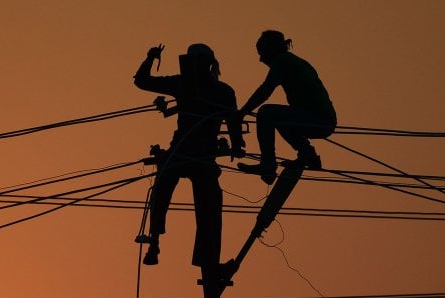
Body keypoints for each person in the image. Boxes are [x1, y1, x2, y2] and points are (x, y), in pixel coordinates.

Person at [133, 43, 245, 267]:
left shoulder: (219, 91)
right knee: (163, 188)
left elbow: (233, 120)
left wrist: (236, 144)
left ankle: (206, 262)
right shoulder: (187, 84)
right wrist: (150, 57)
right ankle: (154, 242)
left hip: (199, 154)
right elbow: (142, 81)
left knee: (208, 205)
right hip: (185, 150)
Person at [236, 30, 336, 185]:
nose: (261, 59)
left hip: (317, 119)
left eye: (262, 53)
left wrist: (241, 113)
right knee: (278, 118)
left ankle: (268, 165)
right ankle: (308, 156)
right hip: (322, 119)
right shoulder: (295, 61)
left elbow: (264, 91)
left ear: (272, 49)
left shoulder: (282, 62)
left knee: (266, 113)